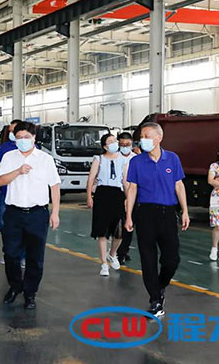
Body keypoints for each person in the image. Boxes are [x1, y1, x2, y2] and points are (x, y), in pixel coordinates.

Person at [125, 122, 189, 318]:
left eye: (146, 136)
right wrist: (128, 216)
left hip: (167, 213)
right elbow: (132, 189)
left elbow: (179, 185)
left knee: (172, 259)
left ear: (159, 138)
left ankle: (160, 285)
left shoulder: (172, 158)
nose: (142, 140)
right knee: (148, 258)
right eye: (141, 136)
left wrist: (185, 211)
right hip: (145, 213)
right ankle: (155, 300)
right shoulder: (136, 162)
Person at [0, 121, 61, 309]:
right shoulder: (9, 157)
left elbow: (54, 186)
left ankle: (30, 293)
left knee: (35, 256)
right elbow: (0, 181)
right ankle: (15, 286)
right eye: (19, 137)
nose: (23, 140)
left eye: (26, 137)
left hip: (37, 214)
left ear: (34, 138)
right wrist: (18, 171)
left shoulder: (45, 159)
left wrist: (55, 213)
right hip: (13, 213)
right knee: (11, 253)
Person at [86, 133, 126, 276]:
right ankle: (104, 263)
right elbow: (91, 178)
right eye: (110, 141)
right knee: (102, 231)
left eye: (115, 140)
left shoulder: (123, 160)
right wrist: (89, 197)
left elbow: (125, 180)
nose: (114, 143)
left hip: (118, 194)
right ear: (105, 146)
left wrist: (128, 198)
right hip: (102, 194)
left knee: (119, 231)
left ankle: (112, 253)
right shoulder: (99, 159)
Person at [0, 119, 26, 268]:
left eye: (14, 131)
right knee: (4, 224)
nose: (12, 133)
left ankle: (23, 255)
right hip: (6, 193)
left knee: (23, 227)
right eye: (10, 131)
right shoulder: (5, 148)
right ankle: (8, 252)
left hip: (23, 195)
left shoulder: (34, 149)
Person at [116, 132, 137, 264]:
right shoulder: (115, 158)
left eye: (127, 144)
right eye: (122, 144)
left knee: (129, 224)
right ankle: (118, 251)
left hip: (133, 195)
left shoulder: (136, 158)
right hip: (118, 194)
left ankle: (123, 251)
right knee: (119, 225)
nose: (125, 147)